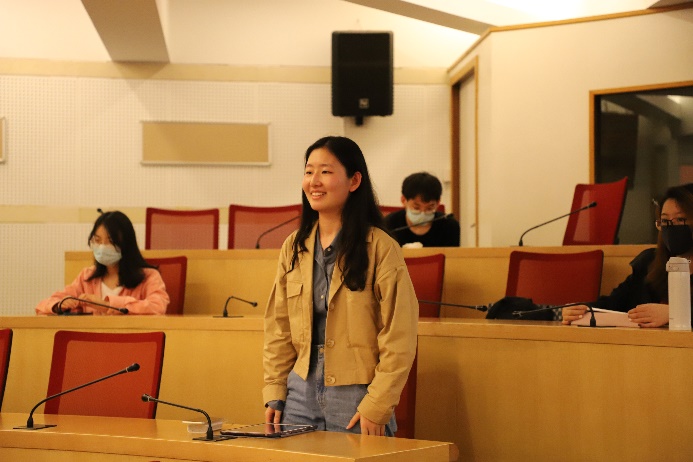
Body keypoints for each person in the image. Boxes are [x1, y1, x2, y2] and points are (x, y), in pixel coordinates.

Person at [263, 136, 419, 436]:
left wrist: (378, 403)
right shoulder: (293, 247)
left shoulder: (381, 247)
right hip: (299, 393)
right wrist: (275, 388)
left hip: (358, 395)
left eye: (325, 171)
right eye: (309, 171)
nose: (314, 181)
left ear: (354, 181)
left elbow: (400, 334)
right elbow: (278, 327)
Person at [563, 183, 693, 328]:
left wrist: (674, 314)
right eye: (665, 221)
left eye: (680, 220)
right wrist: (582, 309)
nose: (670, 228)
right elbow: (613, 304)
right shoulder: (649, 263)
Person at [35, 210, 169, 315]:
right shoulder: (86, 277)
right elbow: (43, 305)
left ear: (126, 244)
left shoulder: (149, 276)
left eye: (110, 241)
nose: (103, 247)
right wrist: (59, 305)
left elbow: (158, 307)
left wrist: (106, 305)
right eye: (98, 241)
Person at [384, 172, 460, 247]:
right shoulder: (389, 224)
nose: (422, 213)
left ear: (438, 203)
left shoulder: (449, 226)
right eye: (416, 208)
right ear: (403, 200)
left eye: (429, 208)